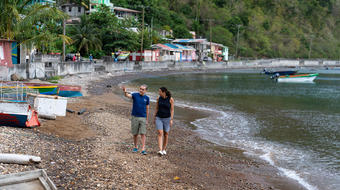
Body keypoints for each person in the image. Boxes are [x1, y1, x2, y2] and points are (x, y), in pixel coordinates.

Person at [122, 85, 150, 155]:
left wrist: (147, 119)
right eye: (140, 89)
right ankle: (135, 147)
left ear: (145, 91)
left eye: (143, 89)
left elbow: (147, 109)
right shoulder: (135, 95)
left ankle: (143, 148)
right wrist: (125, 92)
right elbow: (128, 95)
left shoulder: (147, 98)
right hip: (134, 117)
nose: (141, 90)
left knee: (143, 133)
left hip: (143, 117)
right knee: (135, 134)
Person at [153, 87, 174, 156]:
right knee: (160, 133)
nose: (158, 93)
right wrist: (154, 117)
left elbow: (172, 110)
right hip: (159, 117)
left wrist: (171, 119)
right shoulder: (158, 98)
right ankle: (160, 149)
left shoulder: (170, 99)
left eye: (159, 91)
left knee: (166, 134)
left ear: (163, 92)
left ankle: (164, 149)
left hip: (167, 118)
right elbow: (156, 108)